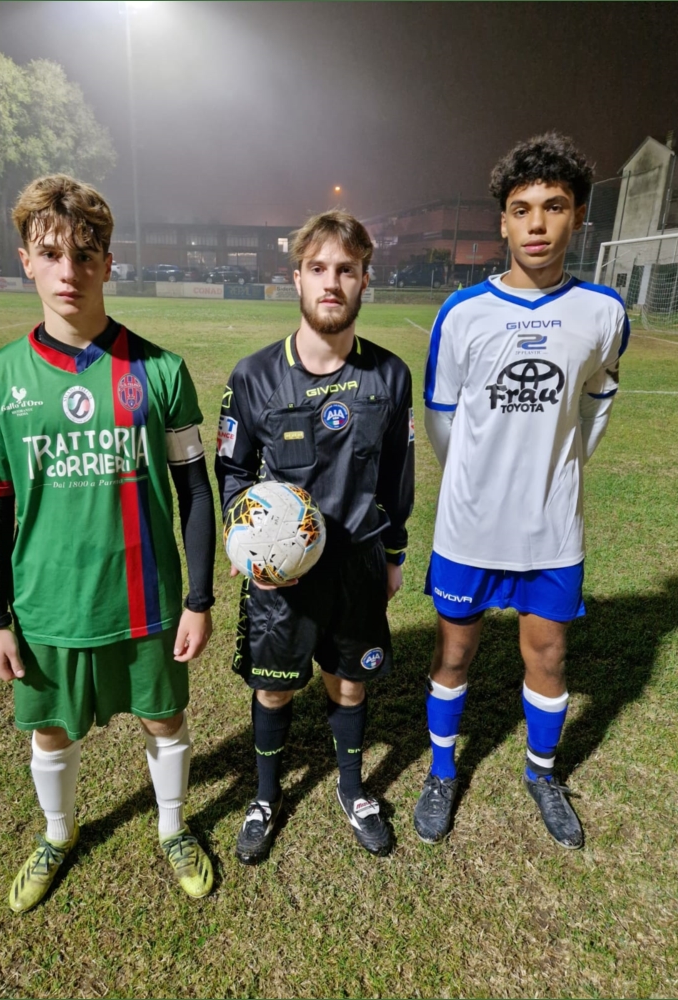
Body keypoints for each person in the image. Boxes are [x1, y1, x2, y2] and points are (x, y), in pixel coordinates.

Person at [0, 174, 217, 910]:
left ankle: (172, 826)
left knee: (164, 718)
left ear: (108, 261)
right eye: (50, 253)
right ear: (26, 262)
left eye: (84, 253)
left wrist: (198, 599)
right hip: (47, 605)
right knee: (51, 732)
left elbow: (196, 492)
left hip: (146, 600)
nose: (68, 270)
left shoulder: (159, 370)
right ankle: (58, 833)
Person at [417, 133, 630, 850]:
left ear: (578, 218)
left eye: (554, 206)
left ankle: (542, 773)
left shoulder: (603, 312)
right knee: (453, 657)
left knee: (549, 659)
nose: (537, 223)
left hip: (550, 530)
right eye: (521, 209)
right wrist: (477, 483)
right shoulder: (462, 313)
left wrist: (557, 468)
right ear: (503, 222)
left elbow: (598, 398)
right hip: (469, 528)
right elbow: (442, 418)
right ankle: (442, 772)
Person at [215, 210, 414, 863]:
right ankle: (265, 795)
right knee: (273, 687)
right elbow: (234, 471)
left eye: (346, 270)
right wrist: (246, 542)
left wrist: (393, 554)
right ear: (296, 277)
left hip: (358, 565)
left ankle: (352, 790)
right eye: (318, 268)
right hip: (283, 576)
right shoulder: (254, 376)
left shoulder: (389, 375)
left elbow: (397, 473)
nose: (332, 282)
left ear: (364, 280)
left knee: (348, 683)